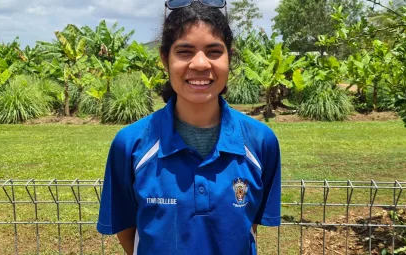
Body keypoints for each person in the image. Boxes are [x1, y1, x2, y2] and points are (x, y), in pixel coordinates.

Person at [96, 1, 281, 254]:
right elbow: (127, 230)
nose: (201, 64)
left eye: (214, 51)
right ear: (165, 59)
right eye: (185, 51)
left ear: (230, 58)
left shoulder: (260, 142)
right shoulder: (130, 144)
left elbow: (247, 226)